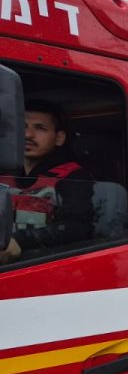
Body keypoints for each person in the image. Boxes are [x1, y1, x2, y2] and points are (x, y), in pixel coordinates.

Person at [0, 99, 93, 266]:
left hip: (41, 266)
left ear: (59, 138)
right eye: (23, 126)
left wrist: (19, 241)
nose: (28, 134)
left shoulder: (73, 176)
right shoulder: (4, 174)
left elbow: (77, 228)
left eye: (40, 128)